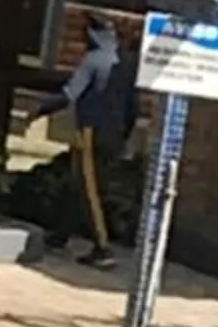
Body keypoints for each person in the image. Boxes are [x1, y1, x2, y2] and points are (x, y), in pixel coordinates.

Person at [31, 20, 138, 265]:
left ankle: (102, 247)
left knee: (89, 190)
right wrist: (125, 134)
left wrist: (40, 109)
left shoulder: (93, 60)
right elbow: (133, 105)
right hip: (115, 134)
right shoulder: (123, 62)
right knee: (77, 183)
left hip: (92, 132)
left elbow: (69, 94)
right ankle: (61, 235)